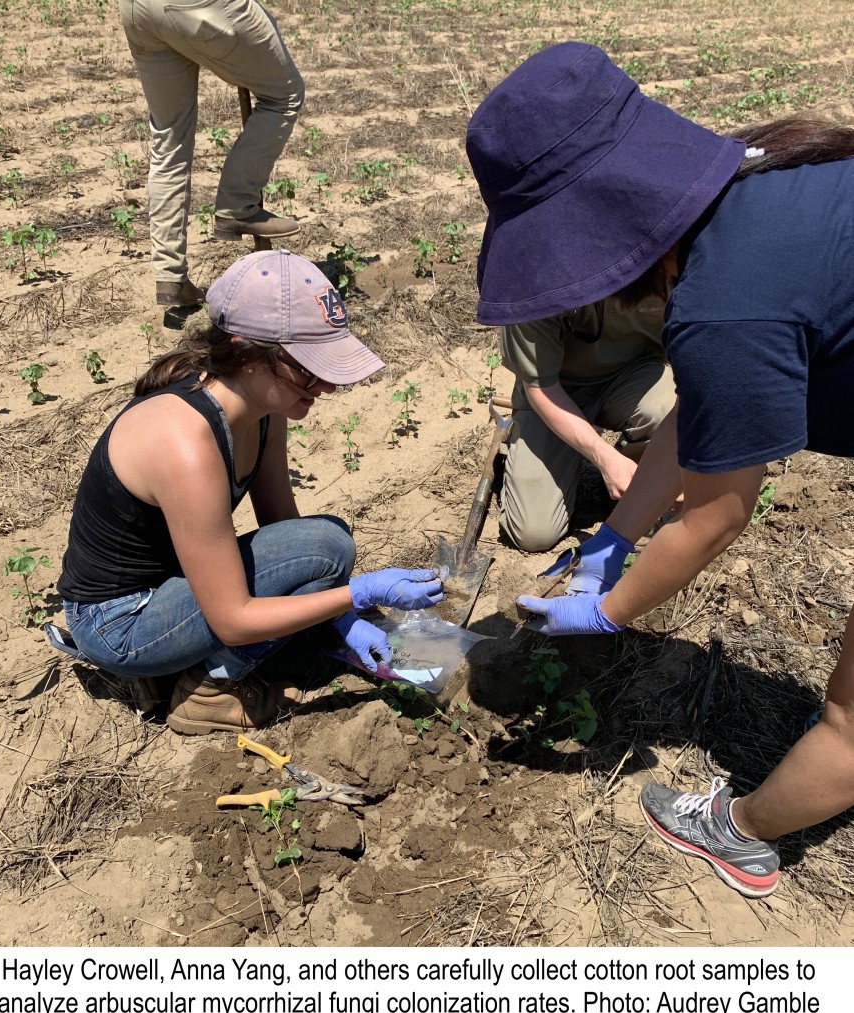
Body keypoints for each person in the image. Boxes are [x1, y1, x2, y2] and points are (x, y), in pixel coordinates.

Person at [466, 42, 854, 898]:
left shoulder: (723, 305)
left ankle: (737, 835)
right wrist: (613, 537)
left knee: (851, 721)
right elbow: (695, 417)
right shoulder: (767, 178)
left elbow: (715, 517)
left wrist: (605, 612)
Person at [57, 249, 443, 736]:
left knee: (326, 548)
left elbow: (287, 533)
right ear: (246, 353)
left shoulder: (262, 411)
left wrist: (340, 616)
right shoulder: (185, 443)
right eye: (309, 369)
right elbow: (234, 620)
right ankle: (207, 689)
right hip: (119, 623)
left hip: (171, 586)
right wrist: (356, 593)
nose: (325, 386)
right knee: (328, 551)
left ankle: (181, 662)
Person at [118, 0, 304, 307]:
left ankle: (170, 276)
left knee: (170, 137)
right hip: (196, 7)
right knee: (284, 95)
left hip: (138, 9)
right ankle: (238, 206)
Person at [498, 297, 673, 553]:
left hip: (633, 375)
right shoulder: (533, 283)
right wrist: (603, 457)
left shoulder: (666, 272)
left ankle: (631, 488)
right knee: (534, 533)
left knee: (667, 410)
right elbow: (541, 388)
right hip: (553, 389)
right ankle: (525, 441)